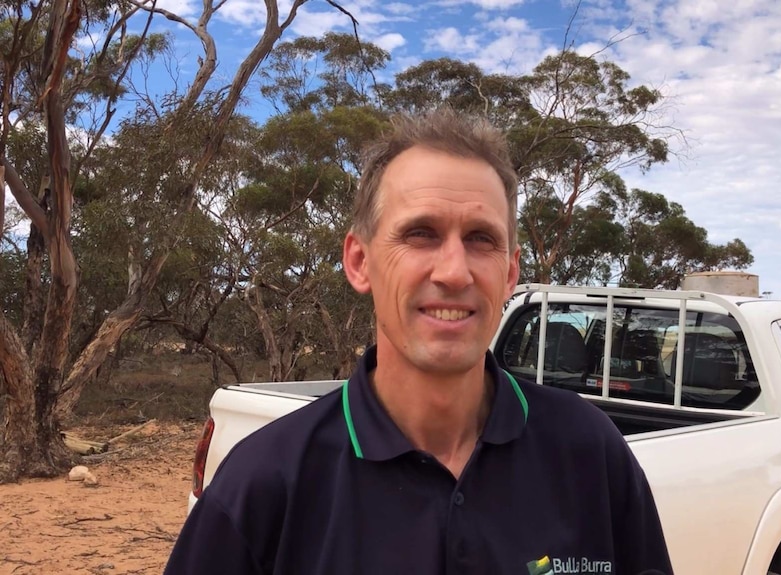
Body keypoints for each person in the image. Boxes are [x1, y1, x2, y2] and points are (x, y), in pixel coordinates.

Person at [163, 109, 674, 575]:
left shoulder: (590, 453)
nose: (454, 272)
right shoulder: (265, 481)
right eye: (420, 234)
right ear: (360, 262)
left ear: (511, 270)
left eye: (481, 239)